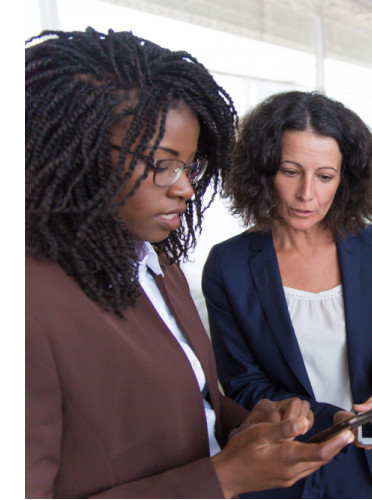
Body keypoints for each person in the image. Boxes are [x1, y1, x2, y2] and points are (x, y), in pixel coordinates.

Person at [25, 28, 353, 499]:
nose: (184, 188)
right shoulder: (28, 306)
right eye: (163, 165)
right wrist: (224, 478)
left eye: (190, 166)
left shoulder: (155, 264)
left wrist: (245, 424)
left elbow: (196, 402)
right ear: (77, 152)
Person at [201, 91, 372, 498]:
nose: (307, 194)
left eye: (324, 176)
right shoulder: (228, 265)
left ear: (345, 178)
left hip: (369, 462)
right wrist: (331, 418)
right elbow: (244, 385)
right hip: (283, 466)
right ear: (262, 170)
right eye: (290, 171)